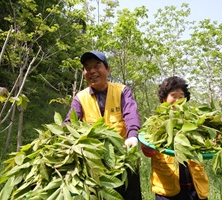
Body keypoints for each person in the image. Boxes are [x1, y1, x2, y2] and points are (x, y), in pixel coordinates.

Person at [64, 50, 142, 200]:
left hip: (125, 158)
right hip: (96, 163)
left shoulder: (122, 91)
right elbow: (70, 123)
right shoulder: (80, 98)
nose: (92, 71)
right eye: (87, 67)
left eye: (97, 66)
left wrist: (132, 136)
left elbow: (131, 115)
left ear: (107, 69)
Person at [141, 76, 209, 200]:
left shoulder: (194, 121)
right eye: (173, 96)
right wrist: (146, 147)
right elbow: (148, 150)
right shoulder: (155, 123)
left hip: (195, 187)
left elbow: (206, 145)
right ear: (164, 99)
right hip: (167, 189)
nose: (178, 100)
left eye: (181, 96)